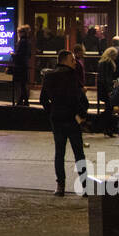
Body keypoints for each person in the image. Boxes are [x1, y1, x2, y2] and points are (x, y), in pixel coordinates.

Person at [40, 49, 88, 196]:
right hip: (72, 119)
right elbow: (78, 98)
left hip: (57, 119)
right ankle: (84, 186)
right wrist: (81, 114)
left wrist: (52, 111)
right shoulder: (72, 75)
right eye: (72, 60)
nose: (75, 63)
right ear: (66, 60)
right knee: (79, 153)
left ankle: (60, 186)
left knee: (59, 153)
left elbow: (43, 99)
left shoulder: (49, 76)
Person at [95, 46, 119, 137]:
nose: (116, 57)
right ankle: (106, 127)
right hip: (106, 89)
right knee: (110, 108)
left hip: (101, 88)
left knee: (108, 108)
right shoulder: (108, 63)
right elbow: (107, 78)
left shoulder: (101, 62)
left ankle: (105, 127)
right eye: (115, 55)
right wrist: (110, 90)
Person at [11, 24, 31, 106]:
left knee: (21, 84)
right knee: (23, 84)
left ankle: (22, 101)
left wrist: (12, 54)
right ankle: (24, 101)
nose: (18, 34)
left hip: (19, 66)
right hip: (24, 65)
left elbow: (19, 55)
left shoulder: (22, 42)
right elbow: (29, 54)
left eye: (18, 32)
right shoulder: (28, 42)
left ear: (22, 33)